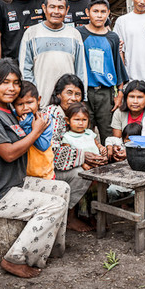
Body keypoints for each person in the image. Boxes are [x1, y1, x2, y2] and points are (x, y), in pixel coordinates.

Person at [0, 59, 70, 278]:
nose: (12, 88)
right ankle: (15, 258)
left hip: (14, 183)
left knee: (61, 188)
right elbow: (8, 153)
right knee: (53, 204)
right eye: (5, 82)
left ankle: (49, 248)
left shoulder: (7, 110)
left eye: (16, 83)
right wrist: (36, 131)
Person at [45, 75, 109, 232]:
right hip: (47, 171)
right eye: (69, 93)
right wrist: (83, 157)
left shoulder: (76, 116)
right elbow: (53, 152)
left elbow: (93, 141)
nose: (73, 98)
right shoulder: (54, 113)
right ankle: (69, 216)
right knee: (82, 172)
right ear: (58, 94)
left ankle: (88, 213)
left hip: (64, 166)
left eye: (78, 94)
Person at [19, 0, 87, 108]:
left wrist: (82, 98)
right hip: (41, 102)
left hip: (69, 104)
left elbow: (81, 70)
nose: (56, 11)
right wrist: (33, 96)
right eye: (52, 7)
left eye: (61, 8)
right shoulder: (32, 33)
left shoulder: (74, 34)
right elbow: (25, 70)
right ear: (44, 8)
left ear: (67, 10)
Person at [77, 0, 128, 142]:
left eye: (103, 12)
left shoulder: (112, 37)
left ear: (108, 13)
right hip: (85, 91)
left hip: (106, 93)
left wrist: (120, 93)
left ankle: (110, 162)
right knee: (84, 131)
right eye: (95, 11)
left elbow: (118, 65)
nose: (99, 15)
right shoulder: (79, 34)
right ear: (87, 12)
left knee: (108, 133)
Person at [14, 81, 54, 180]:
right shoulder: (14, 118)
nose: (25, 108)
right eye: (20, 104)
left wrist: (27, 127)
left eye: (29, 102)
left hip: (44, 174)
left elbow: (43, 146)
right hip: (23, 175)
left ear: (38, 100)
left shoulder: (45, 120)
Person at [61, 102, 108, 169]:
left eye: (84, 120)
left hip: (98, 164)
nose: (81, 123)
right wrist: (82, 164)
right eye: (77, 120)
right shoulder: (67, 137)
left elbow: (97, 144)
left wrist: (101, 148)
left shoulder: (90, 133)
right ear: (68, 120)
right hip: (82, 166)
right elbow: (68, 156)